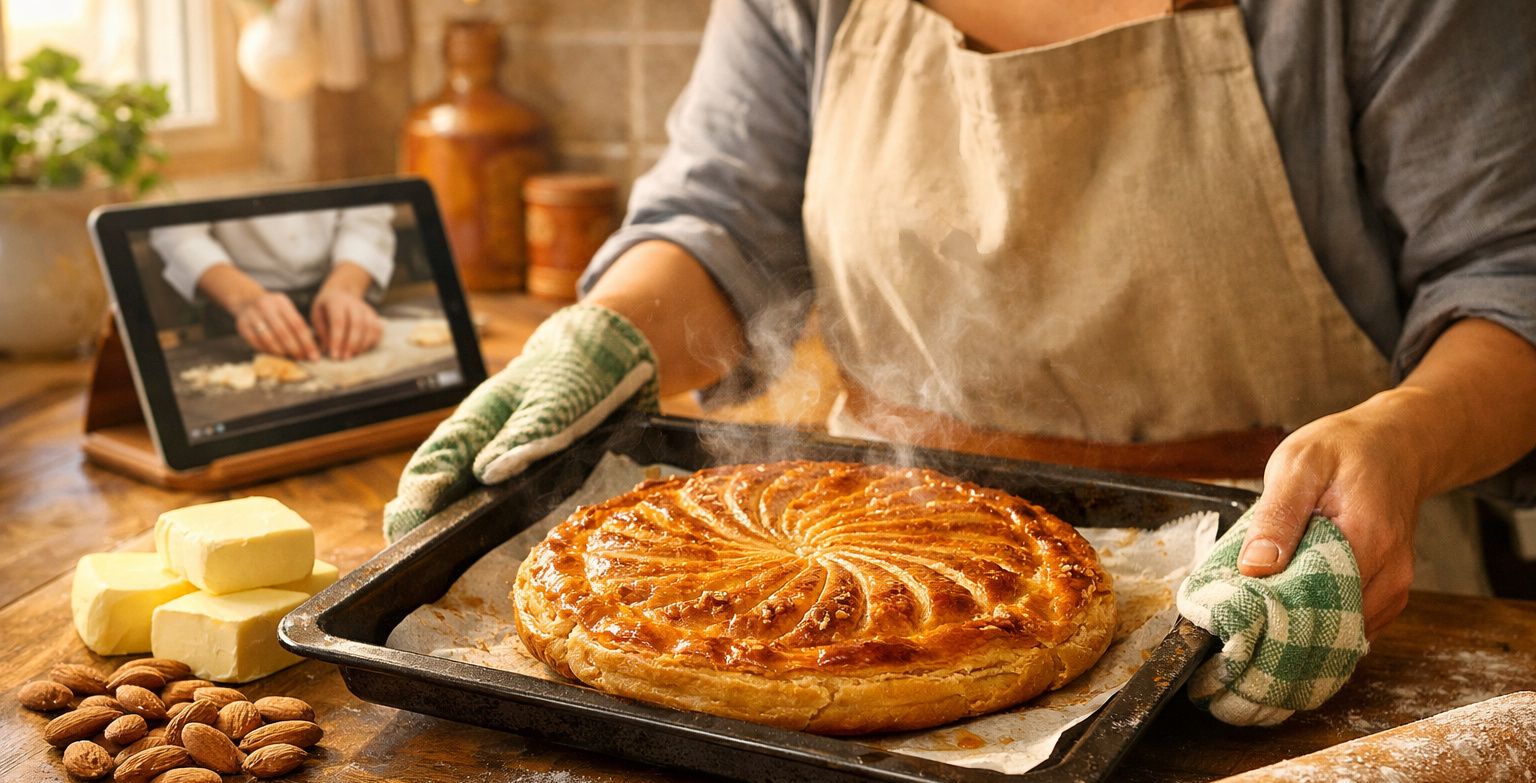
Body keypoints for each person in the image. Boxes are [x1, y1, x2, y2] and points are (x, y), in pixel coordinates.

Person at [388, 0, 1536, 649]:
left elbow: (1512, 284)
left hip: (1310, 589)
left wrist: (1403, 436)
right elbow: (720, 215)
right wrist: (611, 335)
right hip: (844, 601)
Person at [151, 205, 397, 361]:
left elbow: (369, 214)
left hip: (339, 289)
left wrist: (345, 288)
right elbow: (177, 233)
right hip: (232, 310)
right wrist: (247, 300)